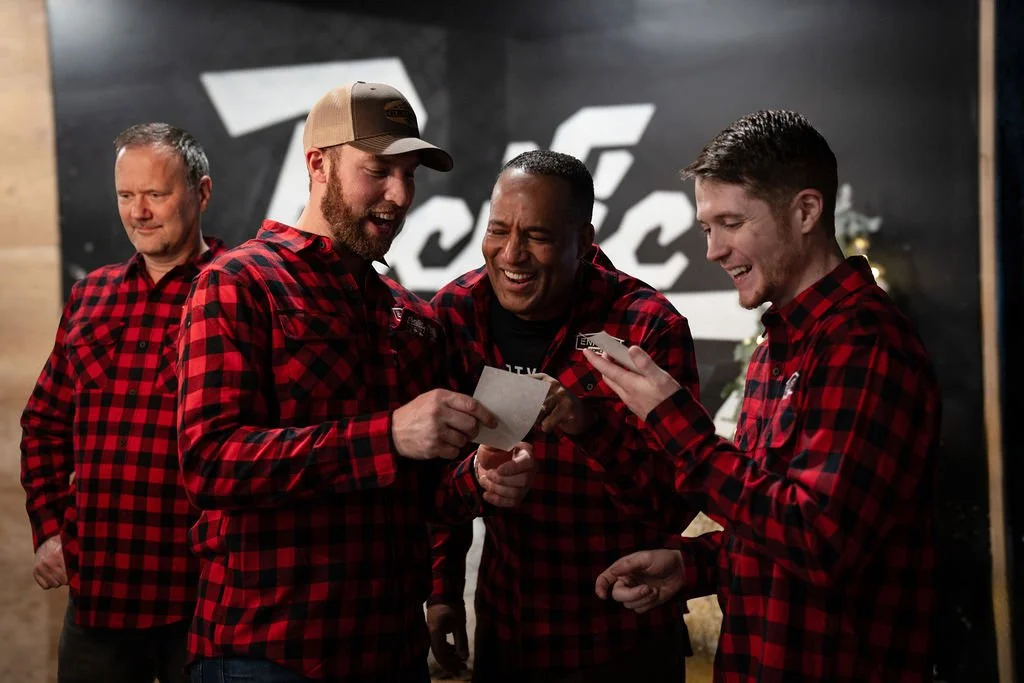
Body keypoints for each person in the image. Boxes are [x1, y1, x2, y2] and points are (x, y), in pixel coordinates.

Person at [175, 82, 536, 683]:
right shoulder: (239, 283)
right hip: (267, 651)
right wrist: (388, 435)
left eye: (410, 174)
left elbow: (423, 498)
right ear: (317, 163)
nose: (399, 195)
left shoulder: (412, 316)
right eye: (378, 171)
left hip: (390, 650)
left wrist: (478, 478)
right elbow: (210, 463)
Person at [588, 110, 941, 682]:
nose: (714, 250)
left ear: (805, 211)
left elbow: (820, 542)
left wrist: (677, 424)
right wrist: (693, 564)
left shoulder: (866, 343)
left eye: (731, 222)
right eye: (707, 227)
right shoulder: (776, 344)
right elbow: (775, 519)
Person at [427, 150, 714, 683]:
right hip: (508, 629)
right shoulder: (454, 313)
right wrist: (442, 589)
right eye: (498, 230)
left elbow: (670, 507)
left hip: (622, 635)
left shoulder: (646, 328)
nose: (512, 253)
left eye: (538, 235)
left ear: (584, 242)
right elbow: (434, 472)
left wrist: (588, 426)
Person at [21, 122, 224, 683]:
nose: (139, 212)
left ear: (201, 193)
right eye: (126, 196)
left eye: (156, 194)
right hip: (99, 603)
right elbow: (42, 425)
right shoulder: (91, 295)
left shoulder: (238, 292)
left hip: (206, 605)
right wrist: (49, 530)